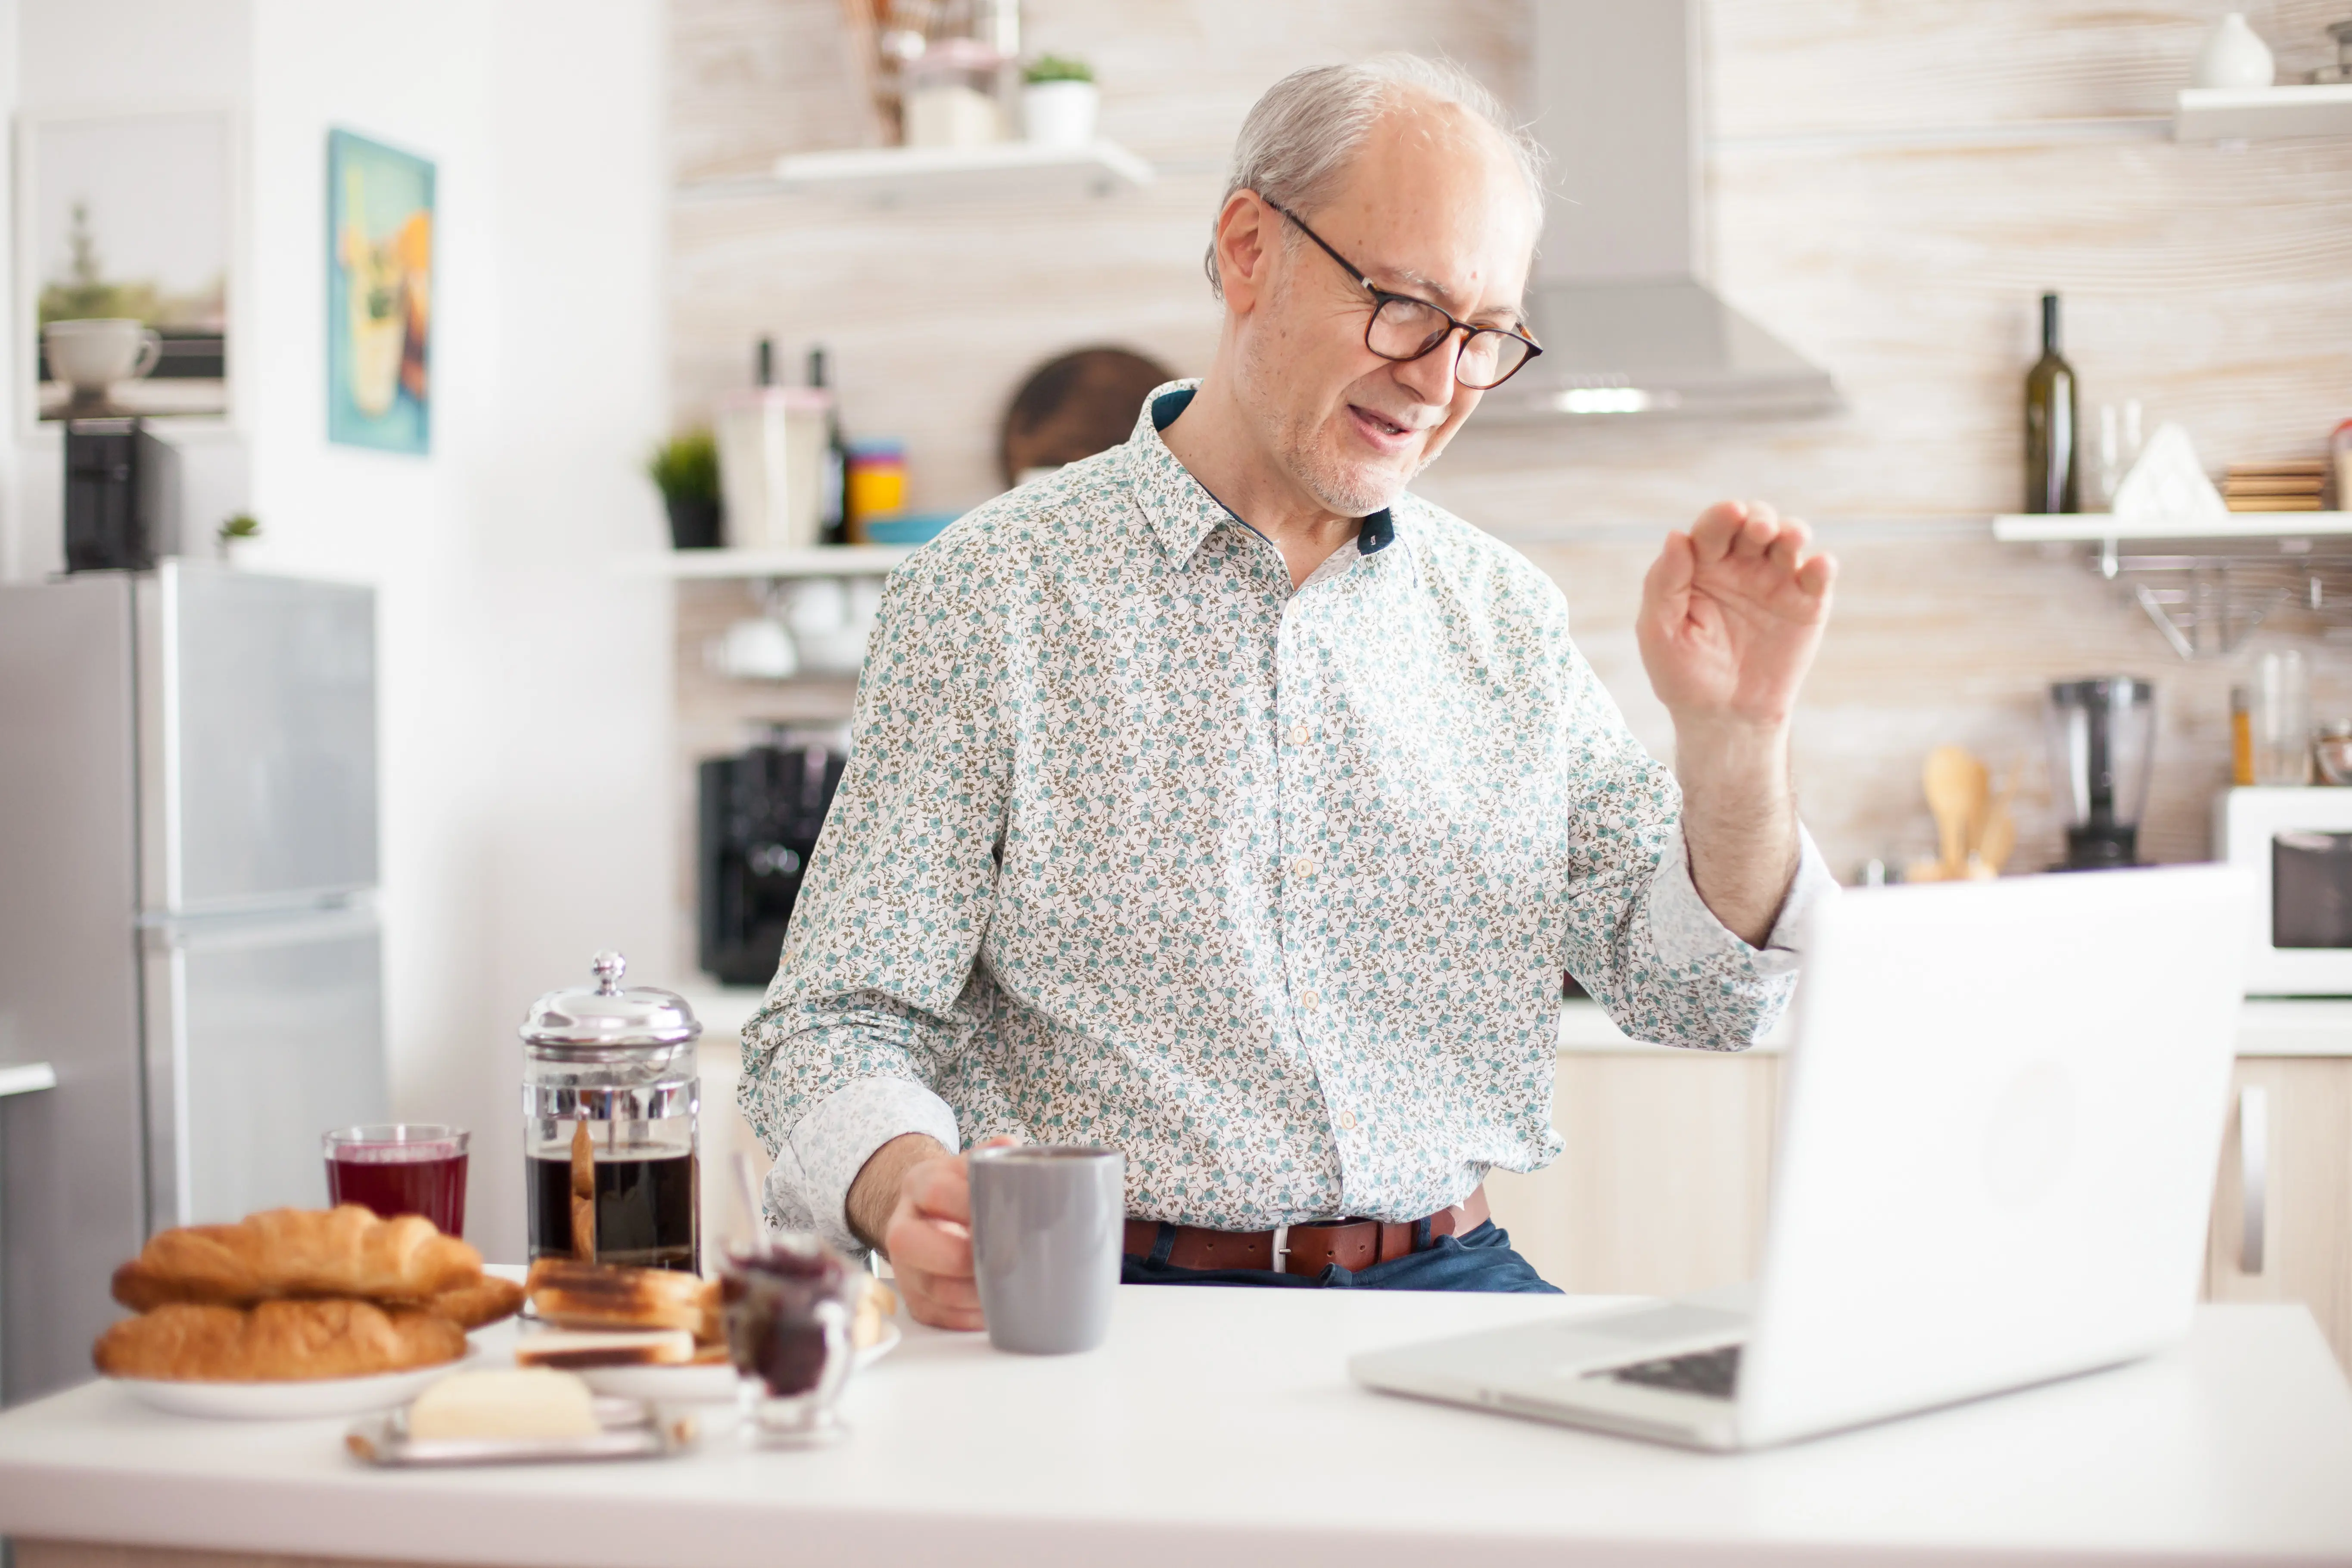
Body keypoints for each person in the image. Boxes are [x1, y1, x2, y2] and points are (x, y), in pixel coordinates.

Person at [739, 54, 1837, 1328]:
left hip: (1447, 1282)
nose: (1437, 380)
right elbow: (830, 1025)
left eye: (1484, 336)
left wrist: (1737, 744)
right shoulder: (991, 596)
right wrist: (899, 1183)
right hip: (1105, 1294)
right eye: (1404, 305)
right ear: (1249, 248)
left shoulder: (1505, 622)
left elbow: (1700, 999)